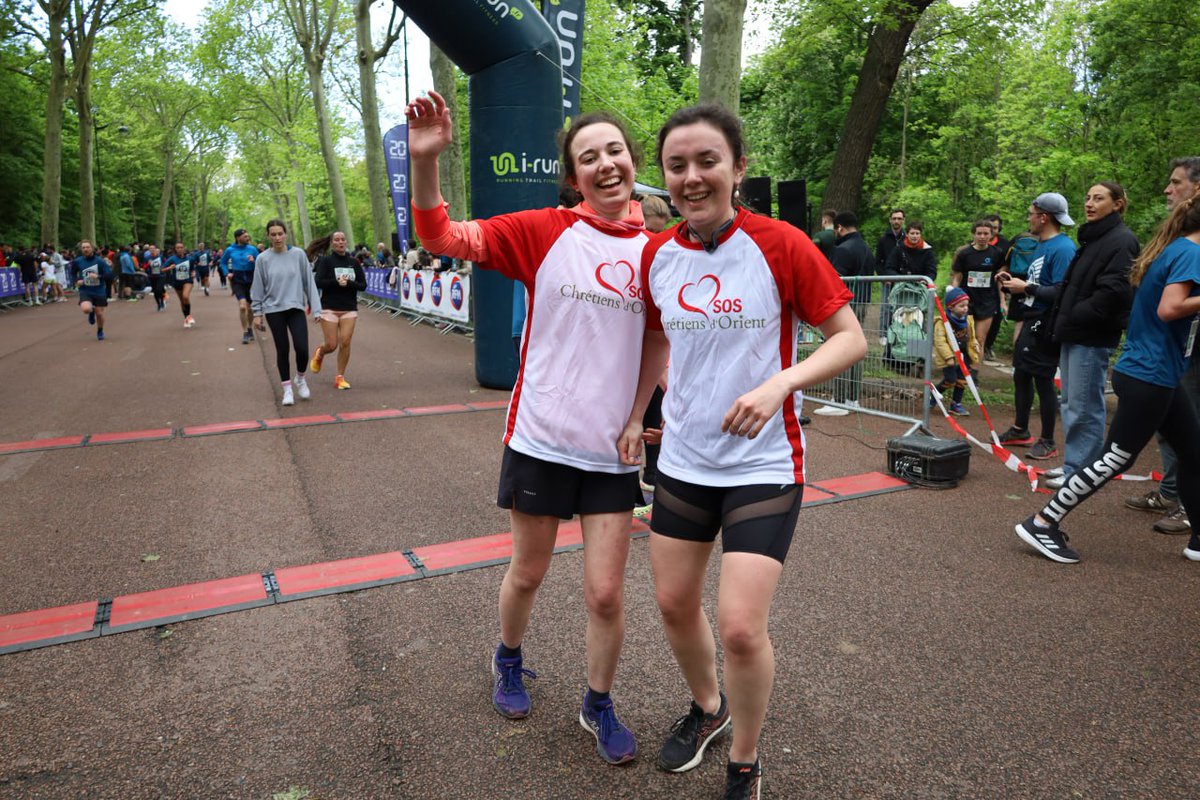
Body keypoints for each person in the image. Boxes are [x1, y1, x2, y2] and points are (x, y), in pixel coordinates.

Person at [618, 103, 865, 800]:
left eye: (707, 161)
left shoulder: (782, 244)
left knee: (740, 628)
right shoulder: (658, 254)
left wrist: (780, 383)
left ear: (737, 168)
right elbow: (659, 339)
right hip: (684, 461)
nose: (692, 177)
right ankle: (709, 708)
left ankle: (746, 761)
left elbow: (850, 337)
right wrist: (638, 415)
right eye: (676, 165)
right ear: (661, 176)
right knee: (672, 604)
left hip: (762, 463)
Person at [407, 90, 650, 766]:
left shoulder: (660, 252)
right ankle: (508, 658)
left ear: (631, 163)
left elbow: (658, 340)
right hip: (542, 439)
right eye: (588, 156)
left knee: (605, 592)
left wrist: (638, 418)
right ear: (573, 176)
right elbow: (441, 237)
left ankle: (598, 703)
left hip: (611, 452)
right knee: (530, 571)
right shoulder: (544, 229)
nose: (605, 163)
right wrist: (426, 165)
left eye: (615, 151)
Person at [1014, 194, 1200, 565]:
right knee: (1115, 459)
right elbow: (1170, 308)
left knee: (1194, 452)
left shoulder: (1178, 248)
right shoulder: (1192, 254)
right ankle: (1042, 522)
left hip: (1156, 371)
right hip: (1150, 374)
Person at [1040, 183, 1137, 490]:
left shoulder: (1122, 241)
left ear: (1118, 204)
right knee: (1070, 402)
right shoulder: (1093, 237)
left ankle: (1082, 472)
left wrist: (1078, 314)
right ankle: (1074, 464)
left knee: (1084, 406)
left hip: (1091, 335)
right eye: (1088, 198)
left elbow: (1115, 291)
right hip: (1074, 332)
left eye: (1099, 198)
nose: (1089, 203)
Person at [1125, 156, 1200, 534]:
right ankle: (1172, 493)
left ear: (1197, 188)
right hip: (1172, 348)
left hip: (1188, 347)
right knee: (1175, 430)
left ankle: (1190, 506)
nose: (1167, 190)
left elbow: (1174, 304)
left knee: (1192, 429)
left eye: (1175, 182)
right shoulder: (1178, 237)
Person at [996, 193, 1078, 461]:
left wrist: (1026, 287)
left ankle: (1048, 440)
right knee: (1021, 374)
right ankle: (1021, 429)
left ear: (1044, 217)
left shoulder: (1064, 249)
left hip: (1047, 322)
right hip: (1032, 317)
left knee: (1043, 379)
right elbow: (1037, 282)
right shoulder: (1040, 245)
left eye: (1031, 213)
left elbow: (1062, 292)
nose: (1028, 218)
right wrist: (1013, 282)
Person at [251, 220, 321, 406]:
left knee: (302, 348)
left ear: (285, 234)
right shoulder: (263, 259)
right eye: (273, 234)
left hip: (296, 307)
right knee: (282, 349)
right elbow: (257, 287)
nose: (277, 238)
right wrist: (257, 313)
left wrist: (316, 308)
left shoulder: (298, 254)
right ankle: (287, 389)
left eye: (280, 233)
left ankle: (300, 377)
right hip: (274, 309)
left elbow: (309, 282)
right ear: (268, 236)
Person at [812, 210, 871, 416]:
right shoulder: (866, 247)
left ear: (839, 228)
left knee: (840, 348)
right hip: (862, 303)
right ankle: (852, 399)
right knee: (855, 351)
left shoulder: (843, 249)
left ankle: (838, 400)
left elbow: (834, 280)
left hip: (845, 306)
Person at [308, 231, 366, 390]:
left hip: (349, 308)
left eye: (343, 239)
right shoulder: (325, 261)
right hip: (329, 307)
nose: (340, 242)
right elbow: (318, 282)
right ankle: (320, 352)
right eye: (337, 240)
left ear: (346, 242)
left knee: (345, 342)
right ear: (332, 243)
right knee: (332, 345)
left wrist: (348, 284)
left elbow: (363, 285)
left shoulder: (353, 262)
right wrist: (336, 282)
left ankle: (340, 377)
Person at [950, 219, 1004, 355]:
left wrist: (1003, 301)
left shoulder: (996, 253)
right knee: (965, 336)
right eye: (979, 233)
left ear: (991, 235)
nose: (982, 237)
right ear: (973, 234)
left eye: (986, 234)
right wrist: (953, 297)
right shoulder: (964, 254)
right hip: (967, 299)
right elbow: (956, 276)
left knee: (980, 338)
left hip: (988, 300)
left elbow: (1000, 278)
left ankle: (974, 372)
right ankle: (962, 368)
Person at [933, 286, 980, 416]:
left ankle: (956, 404)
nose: (965, 308)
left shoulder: (968, 320)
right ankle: (934, 394)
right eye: (961, 306)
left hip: (964, 355)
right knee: (951, 380)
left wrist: (974, 345)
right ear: (951, 307)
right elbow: (940, 341)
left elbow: (971, 336)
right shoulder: (943, 322)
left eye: (966, 305)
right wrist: (948, 357)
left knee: (962, 380)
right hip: (950, 358)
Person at [222, 228, 260, 344]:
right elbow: (223, 262)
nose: (247, 238)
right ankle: (245, 332)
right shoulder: (230, 249)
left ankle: (250, 328)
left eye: (248, 236)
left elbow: (261, 264)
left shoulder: (252, 249)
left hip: (251, 279)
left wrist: (254, 261)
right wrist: (226, 273)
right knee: (243, 306)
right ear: (238, 238)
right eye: (245, 236)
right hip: (237, 279)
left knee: (250, 308)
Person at [71, 240, 112, 340]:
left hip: (99, 290)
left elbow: (110, 275)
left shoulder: (100, 261)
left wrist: (98, 276)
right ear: (81, 249)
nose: (85, 249)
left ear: (92, 248)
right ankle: (91, 311)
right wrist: (77, 280)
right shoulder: (78, 261)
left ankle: (100, 330)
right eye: (83, 247)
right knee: (86, 309)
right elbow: (72, 273)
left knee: (99, 314)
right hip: (85, 290)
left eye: (87, 247)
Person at [163, 242, 197, 328]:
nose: (179, 249)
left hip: (187, 280)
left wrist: (193, 273)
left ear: (184, 248)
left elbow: (192, 269)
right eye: (177, 248)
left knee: (185, 296)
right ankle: (186, 318)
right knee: (182, 301)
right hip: (177, 282)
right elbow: (162, 269)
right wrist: (169, 268)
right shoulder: (172, 259)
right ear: (175, 249)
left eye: (181, 247)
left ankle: (189, 317)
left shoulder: (190, 259)